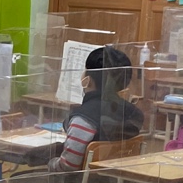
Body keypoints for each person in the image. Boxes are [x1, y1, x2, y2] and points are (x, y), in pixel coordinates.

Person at [49, 46, 144, 176]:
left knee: (24, 176)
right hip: (116, 182)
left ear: (87, 80)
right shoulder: (133, 113)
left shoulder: (83, 119)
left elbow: (68, 166)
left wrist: (50, 162)